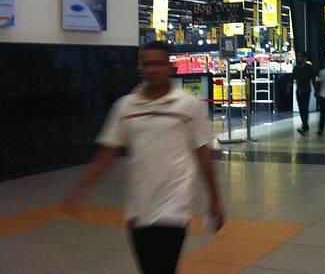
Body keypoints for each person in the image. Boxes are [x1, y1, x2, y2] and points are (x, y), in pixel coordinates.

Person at [61, 41, 224, 274]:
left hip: (175, 205)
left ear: (170, 67)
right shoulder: (126, 106)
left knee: (162, 268)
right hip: (139, 206)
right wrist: (80, 189)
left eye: (159, 63)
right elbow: (107, 151)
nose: (153, 69)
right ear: (140, 67)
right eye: (147, 64)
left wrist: (214, 200)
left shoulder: (188, 106)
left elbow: (203, 154)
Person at [291, 51, 317, 136]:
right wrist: (289, 86)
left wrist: (316, 90)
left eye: (300, 56)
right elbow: (293, 78)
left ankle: (305, 126)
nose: (298, 58)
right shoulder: (296, 68)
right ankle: (305, 125)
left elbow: (313, 79)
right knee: (301, 109)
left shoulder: (309, 68)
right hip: (299, 90)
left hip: (306, 90)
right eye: (298, 56)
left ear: (304, 58)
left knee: (305, 108)